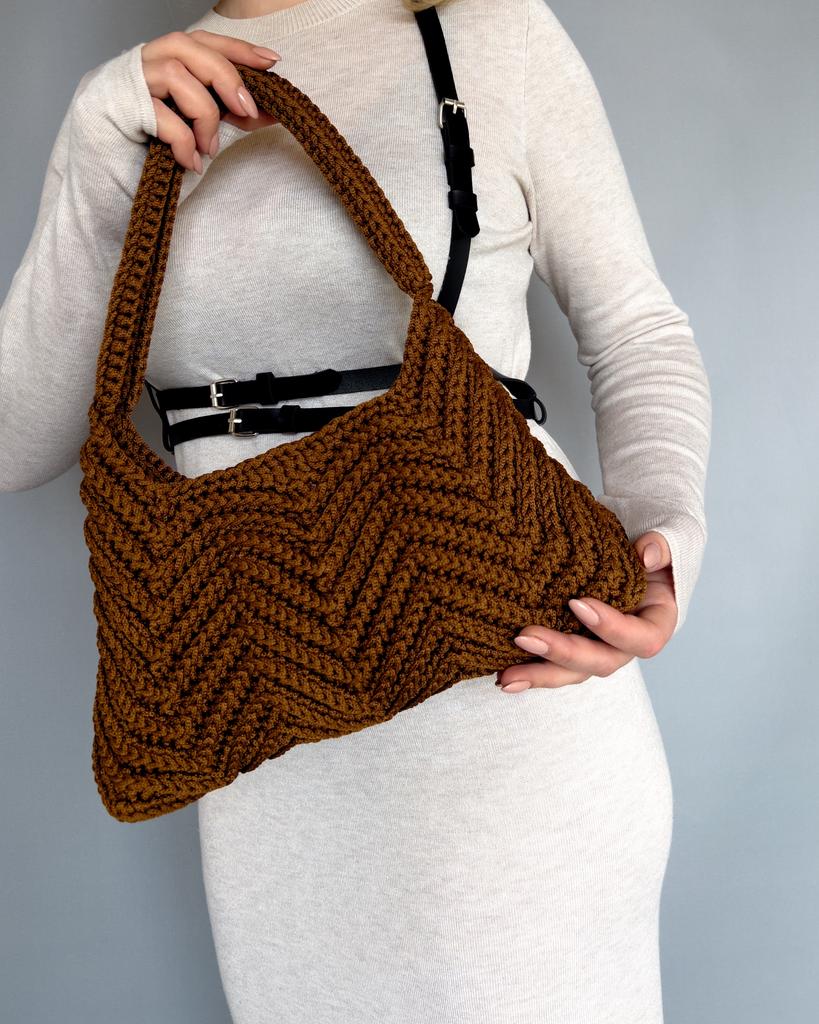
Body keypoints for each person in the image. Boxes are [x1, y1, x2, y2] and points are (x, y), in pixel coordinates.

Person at [0, 0, 712, 1020]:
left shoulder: (490, 35)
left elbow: (637, 330)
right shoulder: (139, 102)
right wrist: (94, 143)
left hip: (505, 729)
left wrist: (662, 546)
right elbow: (17, 441)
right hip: (264, 759)